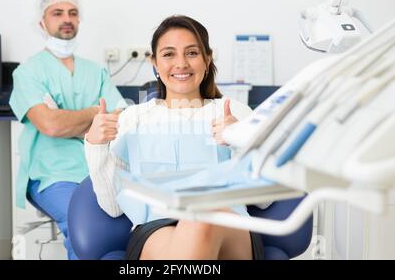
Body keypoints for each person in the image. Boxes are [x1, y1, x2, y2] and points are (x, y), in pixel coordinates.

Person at [85, 15, 265, 260]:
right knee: (196, 225)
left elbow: (264, 201)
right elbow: (113, 208)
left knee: (202, 218)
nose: (181, 63)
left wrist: (243, 141)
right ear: (155, 63)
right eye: (169, 54)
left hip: (229, 226)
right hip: (158, 229)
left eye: (192, 53)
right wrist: (96, 146)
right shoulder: (133, 118)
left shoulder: (236, 113)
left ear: (207, 58)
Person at [9, 0, 126, 260]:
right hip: (52, 174)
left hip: (99, 167)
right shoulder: (28, 72)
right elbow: (51, 126)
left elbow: (120, 117)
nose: (67, 19)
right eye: (57, 13)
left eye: (73, 13)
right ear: (42, 23)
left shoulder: (95, 71)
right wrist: (95, 114)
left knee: (126, 228)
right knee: (86, 231)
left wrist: (68, 117)